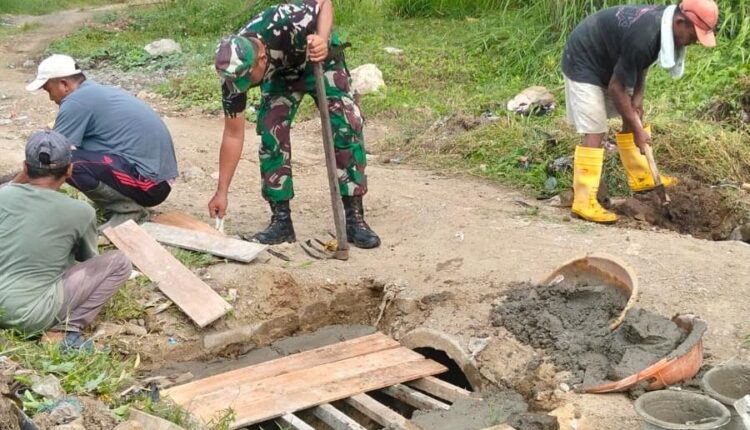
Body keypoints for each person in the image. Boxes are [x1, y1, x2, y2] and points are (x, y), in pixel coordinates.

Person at [208, 0, 381, 249]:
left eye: (248, 79)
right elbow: (233, 135)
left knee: (346, 125)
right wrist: (221, 191)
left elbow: (324, 3)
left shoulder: (283, 19)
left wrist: (322, 38)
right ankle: (281, 222)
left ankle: (354, 219)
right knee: (271, 133)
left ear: (261, 58)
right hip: (280, 75)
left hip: (320, 60)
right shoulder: (234, 73)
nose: (242, 87)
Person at [561, 0, 718, 223]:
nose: (695, 41)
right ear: (680, 22)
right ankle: (583, 201)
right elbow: (617, 87)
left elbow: (641, 63)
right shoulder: (645, 35)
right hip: (583, 59)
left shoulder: (662, 26)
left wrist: (638, 95)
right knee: (596, 128)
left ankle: (641, 176)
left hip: (611, 59)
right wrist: (638, 130)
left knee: (634, 111)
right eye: (695, 34)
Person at [0, 130, 131, 346]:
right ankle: (66, 329)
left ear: (24, 167)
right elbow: (88, 260)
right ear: (69, 170)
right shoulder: (81, 211)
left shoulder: (3, 194)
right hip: (32, 317)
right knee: (120, 262)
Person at [24, 54, 179, 230]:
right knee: (68, 159)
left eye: (48, 90)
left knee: (64, 163)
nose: (51, 98)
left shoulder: (77, 101)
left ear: (64, 84)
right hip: (154, 181)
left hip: (150, 185)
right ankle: (117, 203)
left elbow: (47, 157)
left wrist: (11, 187)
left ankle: (128, 211)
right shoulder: (93, 93)